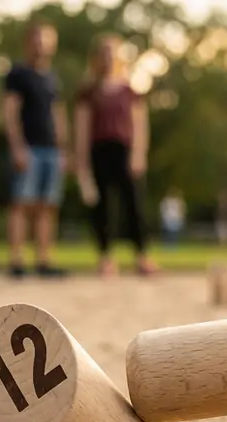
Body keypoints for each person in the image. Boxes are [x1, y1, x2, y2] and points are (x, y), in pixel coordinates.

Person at [74, 33, 156, 277]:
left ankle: (141, 255)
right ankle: (106, 257)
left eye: (113, 52)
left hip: (124, 151)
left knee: (134, 204)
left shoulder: (129, 90)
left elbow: (140, 124)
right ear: (97, 58)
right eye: (104, 53)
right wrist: (82, 163)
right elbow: (81, 127)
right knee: (102, 207)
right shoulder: (89, 92)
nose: (109, 58)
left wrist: (138, 154)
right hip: (99, 151)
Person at [0, 18, 69, 278]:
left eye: (46, 40)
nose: (42, 45)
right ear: (28, 42)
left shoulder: (52, 77)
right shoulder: (17, 74)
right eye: (38, 39)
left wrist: (63, 149)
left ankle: (44, 260)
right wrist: (17, 147)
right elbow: (9, 113)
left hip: (51, 150)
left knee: (47, 206)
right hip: (28, 148)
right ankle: (17, 260)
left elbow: (58, 113)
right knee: (21, 204)